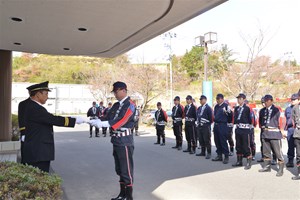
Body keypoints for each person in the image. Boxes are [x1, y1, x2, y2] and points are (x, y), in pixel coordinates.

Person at [21, 81, 85, 173]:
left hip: (37, 151)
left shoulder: (33, 106)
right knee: (40, 178)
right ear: (38, 94)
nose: (48, 97)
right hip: (38, 152)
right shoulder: (35, 108)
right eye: (46, 94)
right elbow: (52, 119)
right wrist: (75, 120)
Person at [89, 81, 135, 200]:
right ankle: (122, 194)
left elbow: (122, 120)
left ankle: (129, 196)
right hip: (116, 140)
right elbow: (107, 117)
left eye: (116, 91)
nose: (114, 93)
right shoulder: (115, 105)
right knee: (119, 169)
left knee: (126, 169)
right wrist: (94, 120)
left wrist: (104, 124)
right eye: (114, 91)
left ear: (123, 90)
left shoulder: (130, 105)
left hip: (125, 140)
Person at [258, 94, 285, 177]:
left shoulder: (277, 110)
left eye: (267, 101)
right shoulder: (262, 110)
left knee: (278, 152)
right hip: (265, 133)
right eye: (265, 101)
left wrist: (282, 131)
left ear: (271, 101)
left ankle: (280, 169)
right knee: (266, 151)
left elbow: (281, 120)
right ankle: (267, 166)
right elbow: (260, 121)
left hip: (274, 133)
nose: (265, 102)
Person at [232, 94, 253, 170]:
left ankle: (248, 162)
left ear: (244, 99)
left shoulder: (247, 108)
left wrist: (250, 126)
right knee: (238, 145)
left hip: (245, 129)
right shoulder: (236, 108)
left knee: (246, 145)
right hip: (238, 128)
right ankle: (239, 161)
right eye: (238, 99)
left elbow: (251, 119)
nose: (238, 100)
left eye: (240, 99)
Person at [212, 93, 232, 164]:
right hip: (216, 125)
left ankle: (226, 156)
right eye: (216, 99)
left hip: (222, 125)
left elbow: (230, 116)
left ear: (222, 99)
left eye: (219, 99)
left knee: (223, 140)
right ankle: (219, 155)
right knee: (217, 140)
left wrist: (227, 122)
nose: (217, 100)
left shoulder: (226, 106)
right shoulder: (216, 106)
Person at [195, 95, 213, 159]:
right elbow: (197, 115)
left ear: (205, 100)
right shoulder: (199, 108)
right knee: (201, 139)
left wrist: (207, 122)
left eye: (202, 100)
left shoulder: (208, 108)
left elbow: (211, 118)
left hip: (206, 126)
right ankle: (203, 152)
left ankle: (209, 152)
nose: (200, 101)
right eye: (200, 100)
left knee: (207, 140)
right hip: (199, 126)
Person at [285, 94, 298, 168]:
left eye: (294, 99)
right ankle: (290, 161)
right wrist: (284, 130)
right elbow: (285, 120)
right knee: (290, 146)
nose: (293, 101)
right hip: (290, 129)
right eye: (292, 99)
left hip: (298, 129)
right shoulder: (288, 109)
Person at [18, 95, 31, 164]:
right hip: (27, 132)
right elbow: (21, 119)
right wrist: (23, 133)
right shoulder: (23, 104)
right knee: (25, 155)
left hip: (36, 135)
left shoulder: (39, 104)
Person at [292, 93, 300, 180]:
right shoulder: (295, 108)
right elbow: (293, 120)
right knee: (298, 155)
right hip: (298, 134)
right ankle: (299, 173)